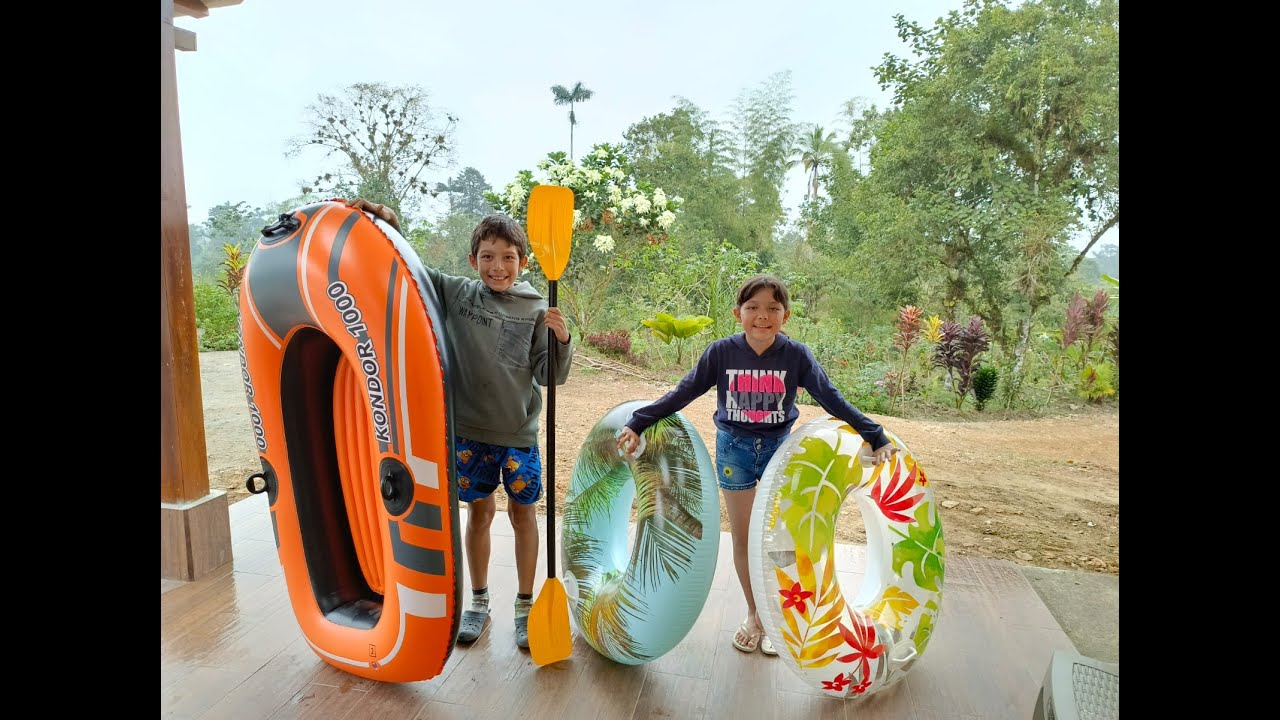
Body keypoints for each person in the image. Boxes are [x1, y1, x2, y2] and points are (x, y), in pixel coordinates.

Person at [616, 274, 896, 656]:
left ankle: (777, 614)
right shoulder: (721, 353)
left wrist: (874, 432)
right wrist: (638, 421)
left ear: (786, 315)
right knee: (745, 538)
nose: (762, 317)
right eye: (753, 308)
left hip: (782, 452)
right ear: (738, 313)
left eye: (772, 309)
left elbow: (831, 397)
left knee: (780, 538)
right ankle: (754, 615)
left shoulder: (796, 356)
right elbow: (683, 391)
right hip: (735, 453)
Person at [346, 199, 573, 650]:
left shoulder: (535, 307)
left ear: (524, 262)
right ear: (473, 261)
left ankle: (526, 605)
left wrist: (562, 339)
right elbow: (409, 268)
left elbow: (550, 376)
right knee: (479, 514)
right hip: (469, 434)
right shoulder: (459, 294)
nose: (497, 266)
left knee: (523, 513)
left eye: (508, 257)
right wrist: (387, 220)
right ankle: (480, 601)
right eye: (487, 256)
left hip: (517, 436)